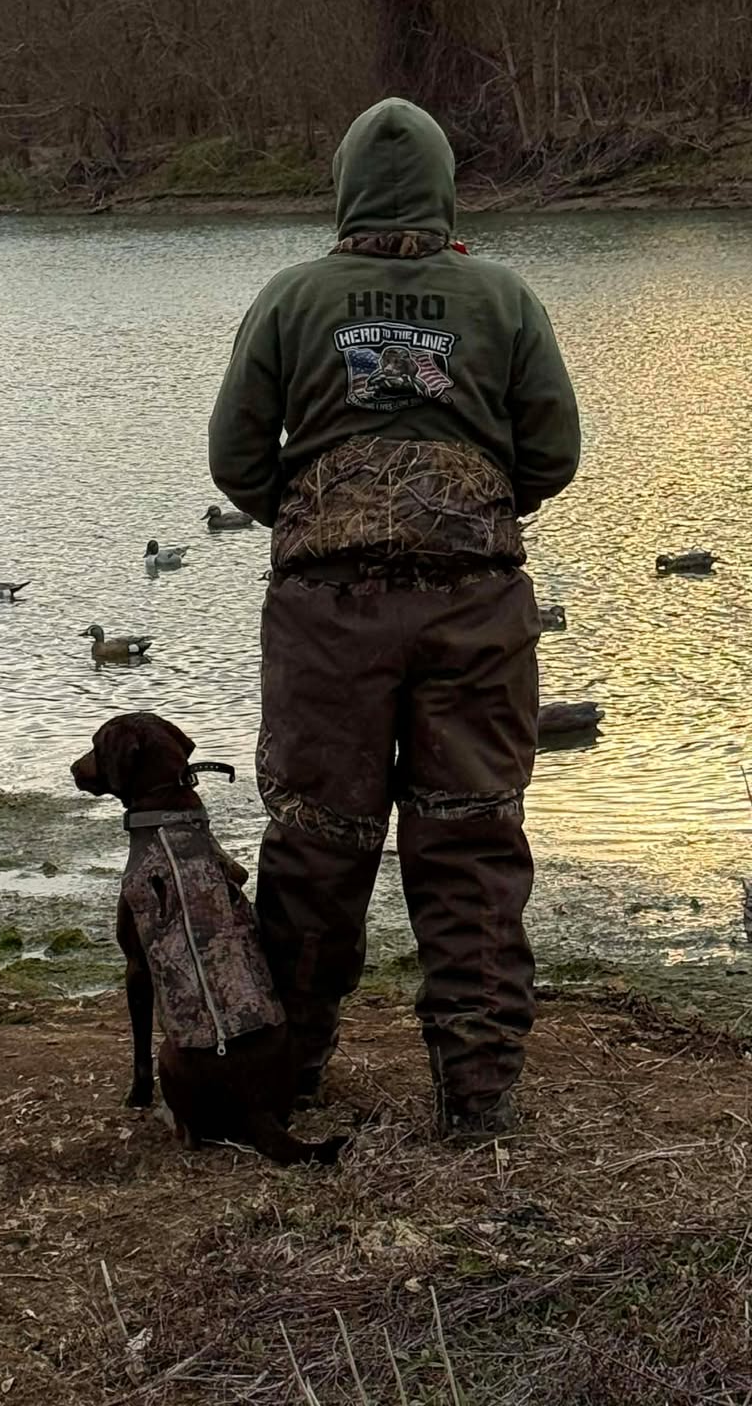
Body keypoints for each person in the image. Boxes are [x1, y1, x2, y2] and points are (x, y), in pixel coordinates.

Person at [208, 98, 580, 1139]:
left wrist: (324, 517)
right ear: (446, 191)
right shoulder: (503, 296)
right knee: (470, 839)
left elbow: (237, 460)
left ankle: (291, 1069)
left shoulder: (291, 297)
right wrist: (474, 512)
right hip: (477, 613)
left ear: (344, 193)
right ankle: (478, 1092)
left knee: (318, 845)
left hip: (330, 619)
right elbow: (554, 451)